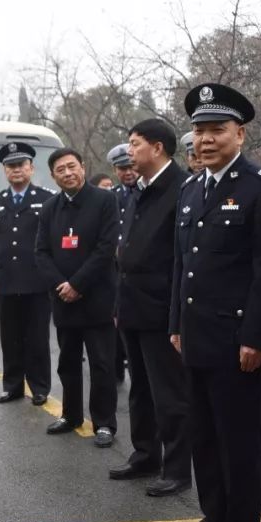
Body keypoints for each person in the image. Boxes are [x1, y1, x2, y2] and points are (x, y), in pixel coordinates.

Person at [168, 83, 261, 522]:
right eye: (199, 130)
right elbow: (183, 265)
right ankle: (214, 516)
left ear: (239, 134)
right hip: (197, 336)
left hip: (240, 341)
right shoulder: (191, 189)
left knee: (240, 439)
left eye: (216, 130)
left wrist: (257, 337)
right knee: (204, 433)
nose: (205, 140)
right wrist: (176, 322)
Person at [110, 119, 192, 497]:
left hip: (162, 310)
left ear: (157, 148)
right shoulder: (137, 190)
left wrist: (177, 316)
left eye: (135, 143)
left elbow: (182, 260)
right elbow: (125, 254)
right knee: (139, 389)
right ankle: (146, 454)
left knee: (169, 393)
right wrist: (118, 304)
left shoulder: (181, 189)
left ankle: (176, 468)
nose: (129, 152)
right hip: (132, 306)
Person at [35, 148, 120, 448]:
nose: (68, 173)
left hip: (96, 298)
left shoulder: (106, 200)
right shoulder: (48, 208)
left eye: (72, 166)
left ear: (83, 167)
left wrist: (78, 284)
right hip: (63, 301)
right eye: (61, 169)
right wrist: (61, 285)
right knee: (67, 363)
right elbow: (41, 253)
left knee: (102, 364)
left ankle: (105, 423)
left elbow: (106, 248)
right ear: (53, 175)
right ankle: (70, 415)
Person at [0, 142, 54, 407]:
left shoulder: (47, 199)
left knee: (37, 337)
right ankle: (12, 386)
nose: (16, 170)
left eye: (21, 165)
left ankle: (39, 387)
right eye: (11, 166)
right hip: (7, 281)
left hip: (37, 280)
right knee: (10, 338)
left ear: (31, 168)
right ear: (4, 171)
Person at [107, 142, 138, 383]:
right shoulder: (111, 198)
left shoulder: (146, 192)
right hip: (115, 272)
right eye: (121, 169)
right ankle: (116, 373)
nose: (127, 172)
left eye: (130, 167)